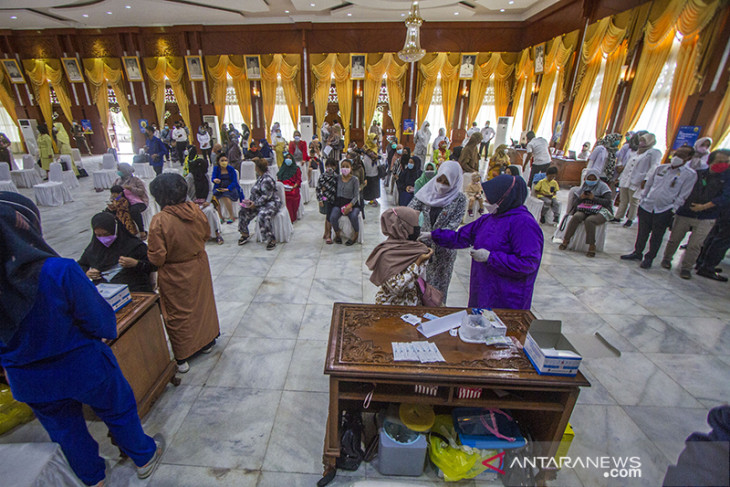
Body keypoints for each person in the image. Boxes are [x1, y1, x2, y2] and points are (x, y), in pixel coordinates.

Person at [0, 192, 164, 487]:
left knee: (64, 430)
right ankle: (144, 456)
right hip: (80, 363)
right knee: (117, 409)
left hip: (27, 377)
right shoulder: (57, 271)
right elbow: (100, 320)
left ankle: (93, 478)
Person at [422, 175, 543, 309]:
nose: (486, 201)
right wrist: (432, 235)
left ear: (504, 198)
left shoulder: (524, 224)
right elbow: (460, 237)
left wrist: (491, 257)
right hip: (483, 287)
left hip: (507, 295)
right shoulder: (489, 219)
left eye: (490, 198)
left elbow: (528, 263)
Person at [147, 174, 220, 373]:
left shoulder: (160, 220)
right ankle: (206, 342)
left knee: (178, 313)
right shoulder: (196, 210)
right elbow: (206, 234)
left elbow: (157, 256)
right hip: (198, 264)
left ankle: (183, 355)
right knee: (201, 305)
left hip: (174, 271)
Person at [620, 146, 697, 269]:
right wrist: (643, 200)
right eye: (677, 153)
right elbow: (649, 185)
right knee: (642, 233)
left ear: (688, 158)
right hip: (647, 205)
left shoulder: (689, 174)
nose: (677, 157)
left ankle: (649, 258)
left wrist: (673, 209)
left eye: (682, 155)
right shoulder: (661, 168)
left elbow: (683, 195)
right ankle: (637, 252)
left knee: (657, 235)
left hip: (664, 209)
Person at [662, 149, 730, 279]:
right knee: (674, 239)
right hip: (686, 212)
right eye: (719, 162)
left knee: (695, 245)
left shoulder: (726, 179)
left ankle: (687, 268)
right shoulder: (696, 174)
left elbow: (725, 197)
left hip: (707, 216)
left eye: (726, 162)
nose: (723, 164)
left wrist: (704, 207)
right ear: (710, 162)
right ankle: (667, 259)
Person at [408, 161, 466, 300]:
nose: (441, 185)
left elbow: (453, 225)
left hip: (444, 250)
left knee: (438, 290)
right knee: (419, 286)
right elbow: (410, 211)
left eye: (447, 182)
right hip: (423, 247)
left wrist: (433, 235)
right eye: (439, 179)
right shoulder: (428, 192)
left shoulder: (460, 200)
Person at [366, 207, 434, 305]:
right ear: (403, 228)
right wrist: (418, 262)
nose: (418, 229)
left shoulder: (416, 247)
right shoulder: (387, 253)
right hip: (391, 306)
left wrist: (425, 258)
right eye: (415, 225)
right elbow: (395, 287)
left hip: (412, 303)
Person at [78, 212, 155, 292]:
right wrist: (87, 273)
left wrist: (136, 263)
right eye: (99, 235)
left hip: (133, 290)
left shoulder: (135, 246)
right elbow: (81, 264)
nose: (104, 239)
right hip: (104, 291)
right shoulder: (94, 248)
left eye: (107, 234)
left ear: (115, 230)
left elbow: (153, 266)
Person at [693, 150, 730, 281]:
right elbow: (725, 196)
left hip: (721, 211)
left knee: (714, 237)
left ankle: (703, 262)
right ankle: (707, 267)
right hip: (724, 212)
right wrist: (704, 207)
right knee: (721, 240)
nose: (724, 164)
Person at [559, 169, 613, 257]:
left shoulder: (603, 187)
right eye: (589, 178)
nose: (591, 181)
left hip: (601, 210)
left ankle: (592, 245)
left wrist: (594, 198)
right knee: (576, 217)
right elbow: (575, 204)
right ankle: (566, 240)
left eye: (593, 179)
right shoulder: (584, 187)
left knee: (590, 220)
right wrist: (581, 197)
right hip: (586, 208)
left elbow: (607, 202)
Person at [614, 132, 662, 227]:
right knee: (623, 199)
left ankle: (630, 219)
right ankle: (618, 216)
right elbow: (628, 166)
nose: (641, 143)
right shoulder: (636, 152)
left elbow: (654, 167)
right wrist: (620, 178)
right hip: (626, 179)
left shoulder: (653, 153)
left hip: (638, 180)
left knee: (634, 201)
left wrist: (646, 179)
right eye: (641, 140)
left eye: (644, 141)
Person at [238, 158, 282, 250]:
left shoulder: (267, 179)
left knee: (263, 214)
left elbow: (266, 196)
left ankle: (271, 239)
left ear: (257, 168)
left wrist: (255, 204)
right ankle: (244, 234)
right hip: (258, 202)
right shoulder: (260, 178)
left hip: (270, 202)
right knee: (243, 211)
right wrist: (249, 202)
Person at [185, 156, 224, 245]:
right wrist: (192, 203)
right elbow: (185, 193)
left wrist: (208, 201)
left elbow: (210, 190)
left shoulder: (205, 176)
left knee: (209, 211)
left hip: (205, 202)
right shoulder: (190, 177)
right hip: (193, 202)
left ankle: (215, 234)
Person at [113, 163, 149, 239]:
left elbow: (142, 191)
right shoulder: (117, 181)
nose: (118, 172)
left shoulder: (135, 180)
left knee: (133, 210)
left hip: (138, 201)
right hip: (123, 202)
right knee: (113, 211)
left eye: (120, 170)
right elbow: (113, 193)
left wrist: (131, 189)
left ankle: (141, 231)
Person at [330, 159, 360, 245]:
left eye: (347, 166)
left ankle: (355, 235)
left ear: (351, 168)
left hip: (352, 203)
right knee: (333, 216)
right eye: (343, 167)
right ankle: (337, 234)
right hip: (339, 202)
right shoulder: (338, 178)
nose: (345, 168)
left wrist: (350, 205)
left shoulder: (355, 180)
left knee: (354, 216)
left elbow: (356, 196)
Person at [211, 155, 243, 224]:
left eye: (225, 160)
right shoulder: (216, 169)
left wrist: (228, 189)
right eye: (222, 160)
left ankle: (231, 216)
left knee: (225, 197)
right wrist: (215, 180)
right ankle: (220, 216)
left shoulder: (231, 169)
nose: (224, 162)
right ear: (218, 162)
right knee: (214, 197)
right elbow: (213, 178)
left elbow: (234, 181)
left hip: (230, 187)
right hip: (219, 187)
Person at [317, 158, 338, 244]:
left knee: (329, 217)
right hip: (326, 199)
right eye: (327, 166)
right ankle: (328, 234)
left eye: (331, 166)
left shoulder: (336, 177)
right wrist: (320, 200)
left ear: (335, 167)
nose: (329, 168)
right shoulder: (322, 176)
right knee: (328, 216)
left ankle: (327, 233)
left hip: (334, 199)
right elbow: (318, 189)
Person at [277, 151, 302, 224]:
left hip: (293, 186)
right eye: (286, 158)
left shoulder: (296, 169)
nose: (288, 159)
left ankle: (291, 217)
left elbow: (298, 180)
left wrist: (293, 187)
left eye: (290, 158)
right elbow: (279, 179)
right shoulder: (282, 168)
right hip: (283, 186)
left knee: (292, 195)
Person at [362, 134, 381, 205]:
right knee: (368, 183)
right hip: (367, 167)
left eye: (376, 139)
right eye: (374, 139)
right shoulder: (366, 147)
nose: (375, 141)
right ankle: (367, 198)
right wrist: (377, 157)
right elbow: (375, 156)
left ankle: (374, 198)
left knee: (374, 184)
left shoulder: (376, 146)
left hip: (375, 168)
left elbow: (378, 156)